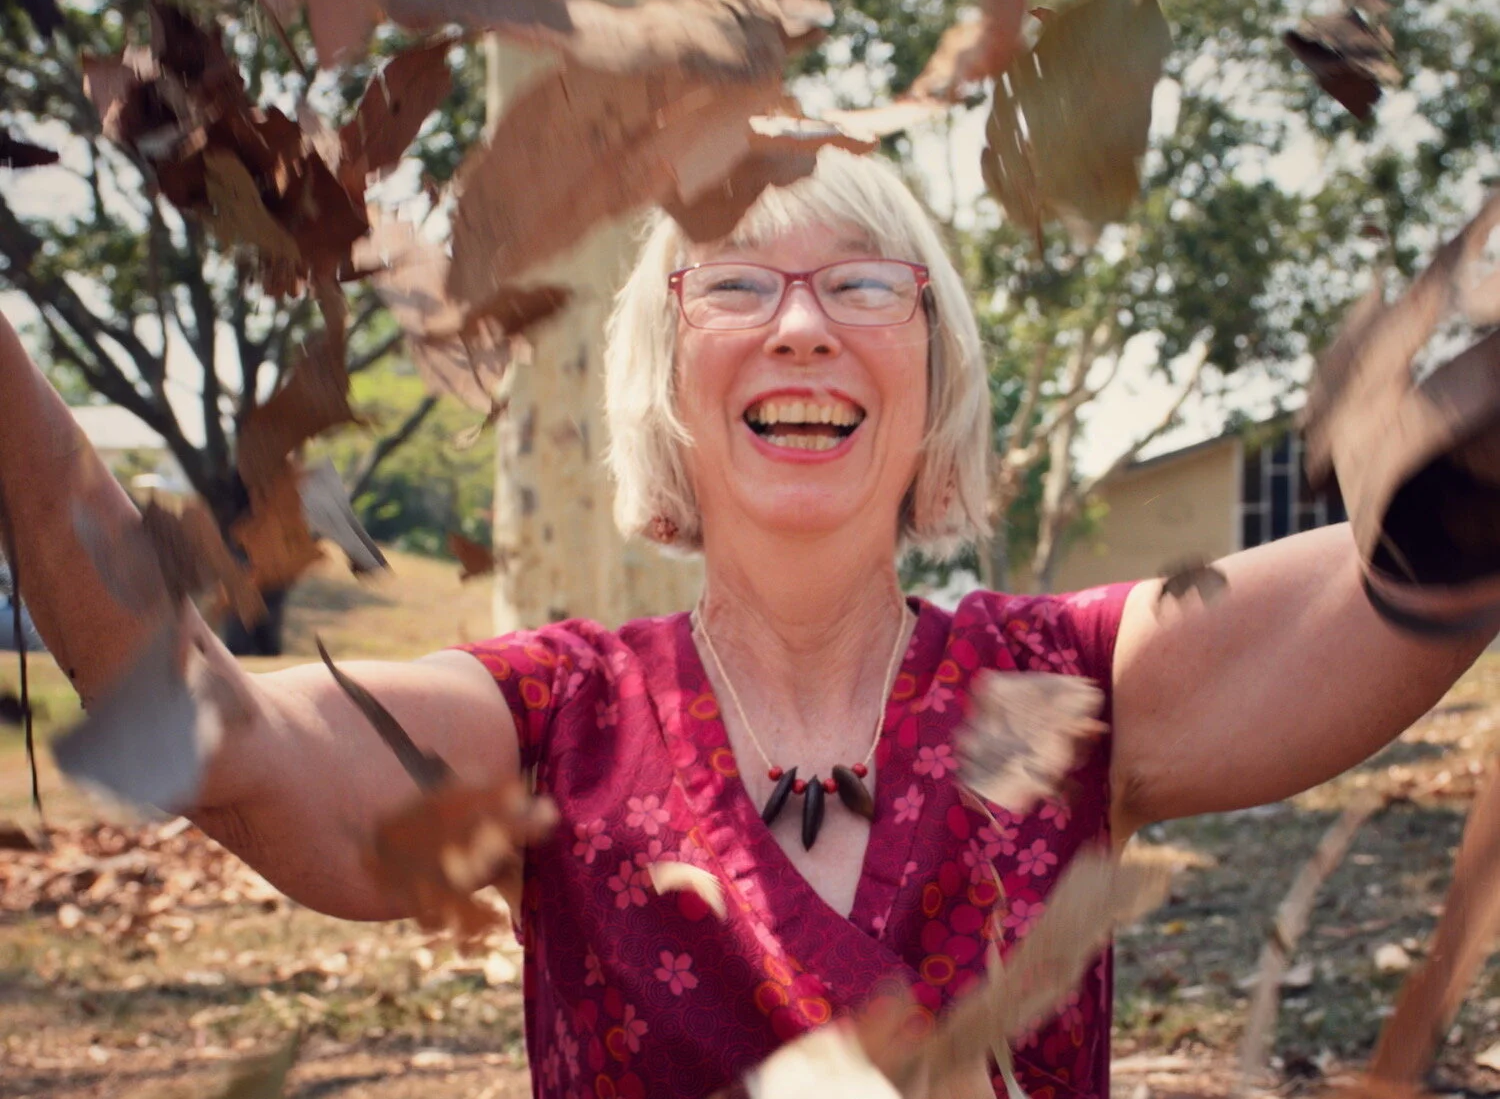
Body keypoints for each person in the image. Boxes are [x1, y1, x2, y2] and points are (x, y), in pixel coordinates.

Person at [0, 150, 1490, 1099]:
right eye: (737, 287)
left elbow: (1413, 572)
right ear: (666, 373)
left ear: (936, 373)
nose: (800, 325)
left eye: (862, 284)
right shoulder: (549, 727)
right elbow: (214, 736)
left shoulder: (1075, 685)